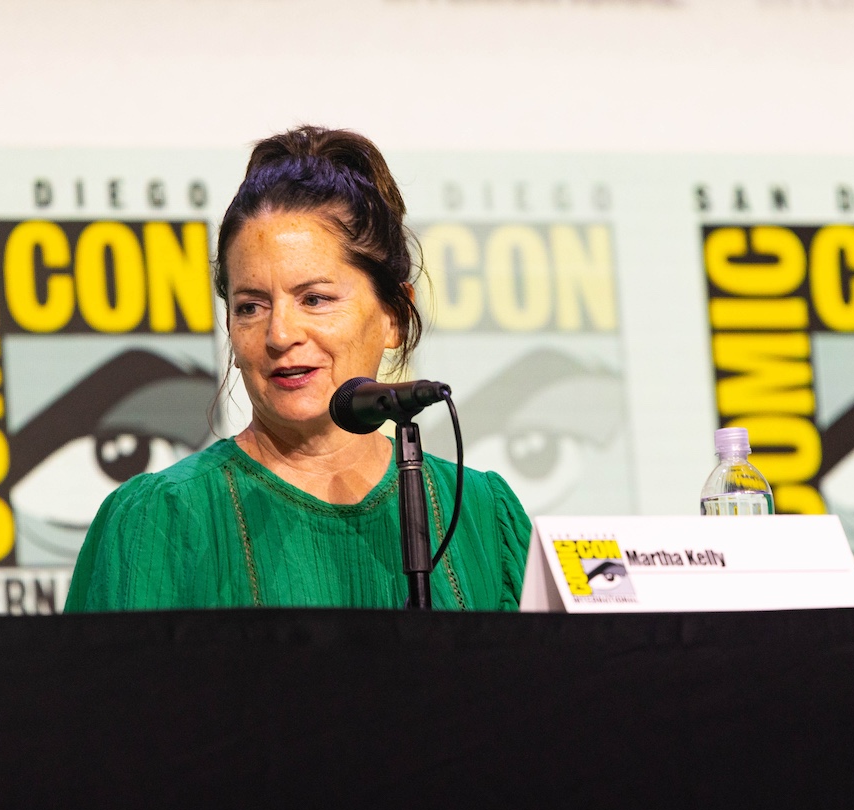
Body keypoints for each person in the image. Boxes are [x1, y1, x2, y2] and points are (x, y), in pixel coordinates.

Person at [65, 126, 532, 611]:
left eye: (315, 299)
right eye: (251, 307)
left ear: (394, 315)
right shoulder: (159, 519)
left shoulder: (481, 514)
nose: (280, 334)